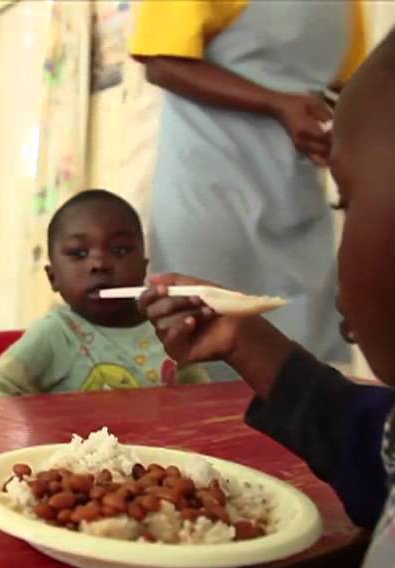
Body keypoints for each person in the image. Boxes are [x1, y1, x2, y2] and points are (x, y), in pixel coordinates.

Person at [139, 1, 395, 568]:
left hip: (285, 188)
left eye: (348, 200)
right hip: (215, 183)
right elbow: (385, 446)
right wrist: (255, 345)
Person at [130, 0, 368, 377]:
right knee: (205, 346)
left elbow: (350, 84)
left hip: (296, 194)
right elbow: (161, 61)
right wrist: (277, 104)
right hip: (210, 189)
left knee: (306, 367)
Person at [0, 190, 206, 398]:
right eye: (79, 253)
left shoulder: (166, 326)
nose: (100, 263)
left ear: (143, 268)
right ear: (53, 278)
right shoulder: (56, 333)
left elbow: (202, 398)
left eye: (120, 250)